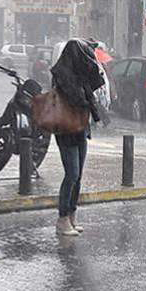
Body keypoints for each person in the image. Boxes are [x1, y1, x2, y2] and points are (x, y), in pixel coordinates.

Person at [50, 38, 105, 237]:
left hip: (80, 128)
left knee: (78, 175)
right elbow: (77, 98)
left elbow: (92, 89)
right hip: (66, 130)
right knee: (71, 174)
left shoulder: (79, 75)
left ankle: (72, 215)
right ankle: (62, 219)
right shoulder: (63, 75)